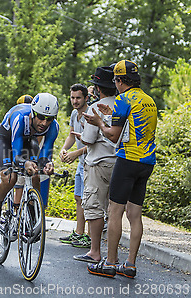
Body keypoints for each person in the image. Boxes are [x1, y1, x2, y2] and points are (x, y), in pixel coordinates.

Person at [84, 60, 157, 279]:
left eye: (115, 81)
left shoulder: (123, 99)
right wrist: (108, 115)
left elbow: (113, 135)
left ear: (119, 81)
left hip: (127, 161)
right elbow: (131, 125)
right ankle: (130, 264)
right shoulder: (149, 100)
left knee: (115, 211)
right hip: (147, 162)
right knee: (135, 214)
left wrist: (99, 122)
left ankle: (110, 263)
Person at [0, 93, 59, 236]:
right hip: (6, 138)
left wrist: (47, 164)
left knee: (35, 175)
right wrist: (24, 163)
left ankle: (32, 216)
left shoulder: (53, 127)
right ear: (33, 113)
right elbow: (16, 154)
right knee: (10, 178)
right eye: (41, 117)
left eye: (49, 119)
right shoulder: (21, 118)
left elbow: (45, 154)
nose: (44, 123)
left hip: (28, 139)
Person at [72, 66, 118, 264]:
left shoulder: (94, 108)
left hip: (98, 164)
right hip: (119, 163)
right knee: (114, 210)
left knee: (94, 206)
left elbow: (88, 140)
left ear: (98, 88)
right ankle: (112, 255)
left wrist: (83, 133)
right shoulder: (122, 106)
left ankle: (95, 251)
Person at [59, 84, 90, 248]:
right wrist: (65, 149)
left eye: (78, 98)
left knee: (90, 201)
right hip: (81, 162)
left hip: (92, 162)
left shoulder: (91, 114)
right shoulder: (73, 114)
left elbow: (95, 143)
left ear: (86, 98)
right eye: (72, 97)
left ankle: (90, 237)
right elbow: (71, 135)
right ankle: (79, 233)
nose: (75, 101)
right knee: (78, 197)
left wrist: (76, 153)